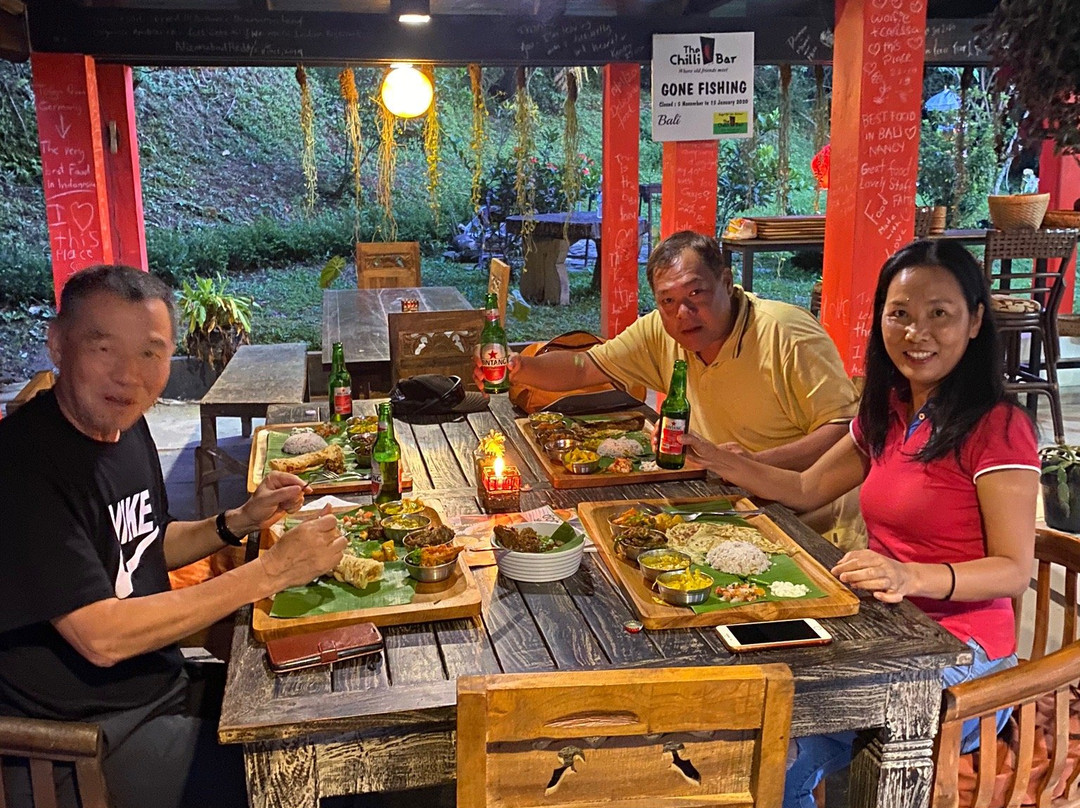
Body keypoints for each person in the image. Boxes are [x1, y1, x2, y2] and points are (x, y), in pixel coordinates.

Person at [681, 239, 1038, 808]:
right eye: (900, 314)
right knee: (747, 714)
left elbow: (1014, 570)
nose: (917, 332)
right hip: (882, 631)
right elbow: (806, 488)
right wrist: (720, 461)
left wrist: (909, 575)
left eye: (939, 314)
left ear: (974, 322)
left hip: (961, 656)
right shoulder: (889, 409)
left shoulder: (998, 427)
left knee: (773, 743)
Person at [0, 265, 347, 808]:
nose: (128, 375)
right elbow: (101, 638)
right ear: (58, 344)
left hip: (162, 685)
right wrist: (271, 572)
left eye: (150, 353)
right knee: (332, 780)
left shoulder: (123, 425)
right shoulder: (22, 468)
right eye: (103, 349)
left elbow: (143, 546)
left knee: (334, 714)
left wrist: (239, 521)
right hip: (82, 743)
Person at [476, 230, 863, 549]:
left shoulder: (786, 333)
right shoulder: (660, 331)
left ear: (726, 282)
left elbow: (846, 430)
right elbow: (584, 367)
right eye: (668, 300)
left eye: (696, 294)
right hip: (722, 505)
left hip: (812, 526)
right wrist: (520, 367)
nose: (683, 313)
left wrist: (753, 465)